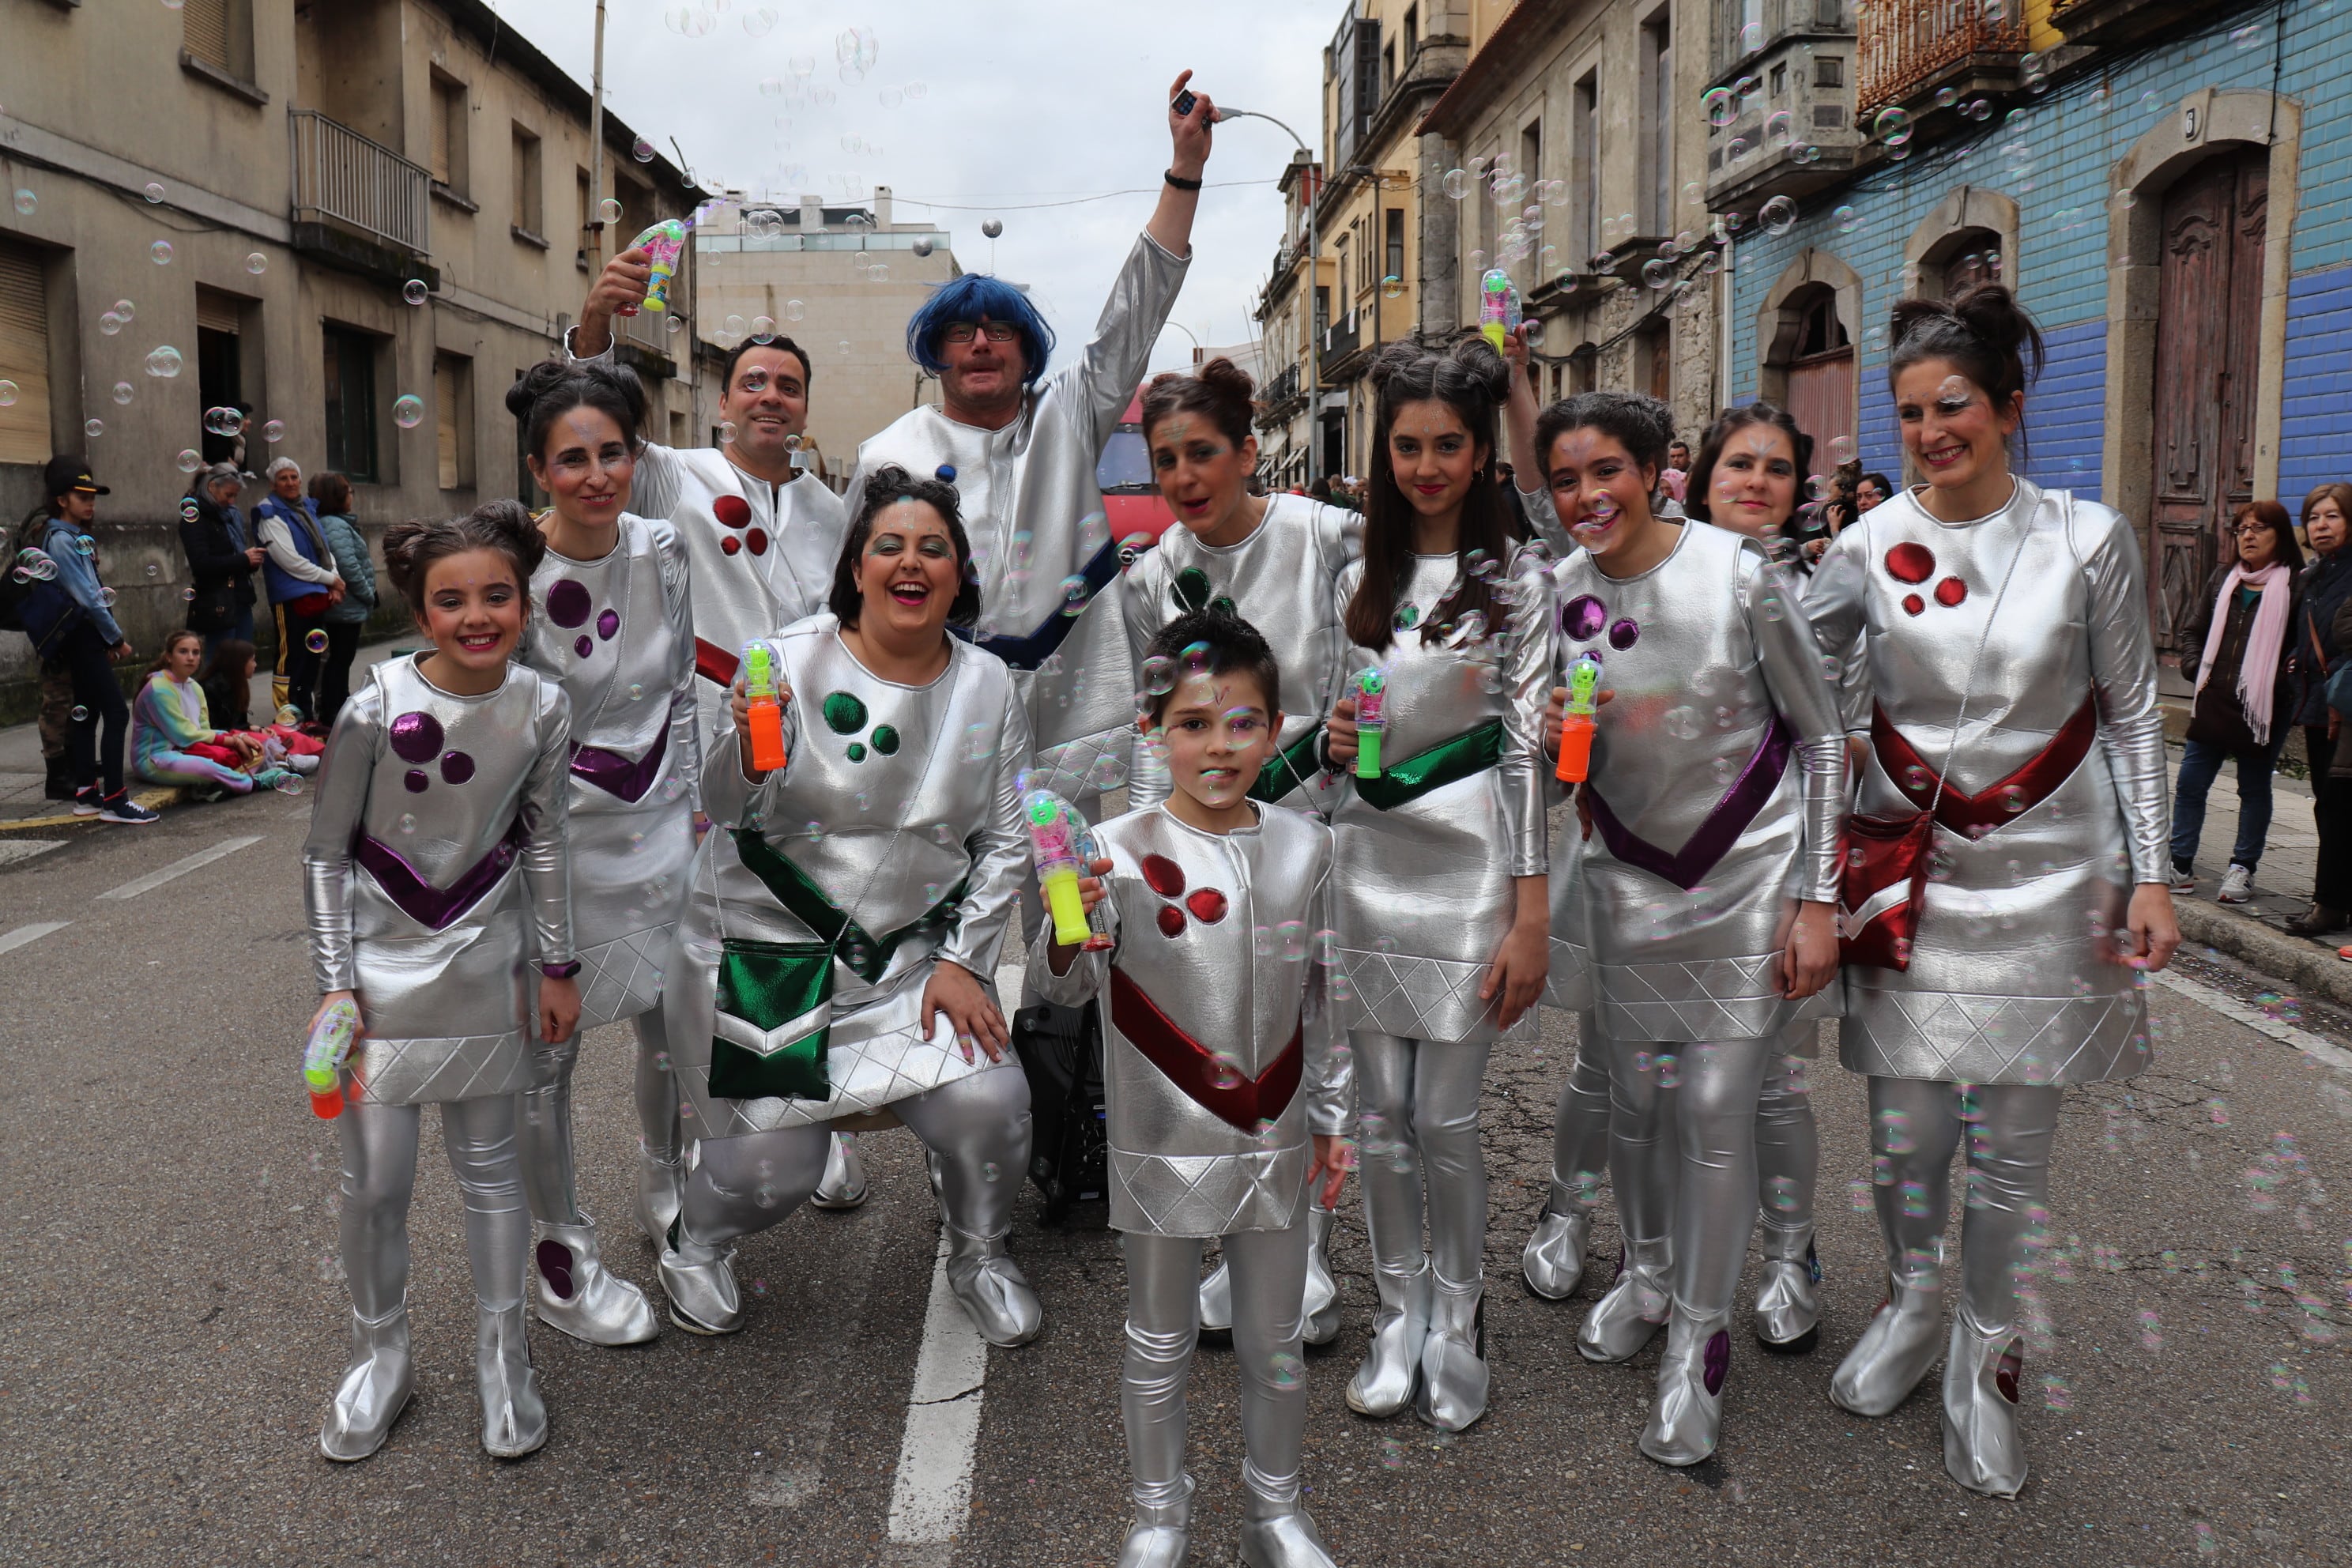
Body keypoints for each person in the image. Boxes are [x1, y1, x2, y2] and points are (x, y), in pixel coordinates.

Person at [1805, 285, 2177, 1497]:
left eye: (1952, 405)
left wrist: (2154, 875)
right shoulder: (1861, 548)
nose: (1928, 432)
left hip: (2058, 879)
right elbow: (1799, 705)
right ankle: (1915, 1302)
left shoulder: (2089, 538)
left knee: (2009, 1151)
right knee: (1906, 1137)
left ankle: (1984, 1347)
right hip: (1914, 875)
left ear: (2011, 409)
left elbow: (2130, 713)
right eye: (1910, 413)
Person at [657, 466, 1040, 1348]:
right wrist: (751, 754)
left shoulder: (989, 684)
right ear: (857, 566)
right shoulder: (782, 661)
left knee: (992, 1104)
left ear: (958, 573)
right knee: (769, 1173)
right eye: (890, 545)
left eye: (933, 548)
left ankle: (979, 1249)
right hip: (769, 962)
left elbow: (1008, 839)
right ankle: (696, 1239)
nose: (912, 563)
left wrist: (965, 959)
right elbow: (719, 802)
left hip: (910, 962)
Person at [1532, 391, 1845, 1466]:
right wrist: (1536, 745)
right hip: (1628, 877)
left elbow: (1824, 739)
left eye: (1606, 471)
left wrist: (1819, 894)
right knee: (1635, 1098)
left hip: (1748, 876)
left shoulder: (1741, 573)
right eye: (1566, 479)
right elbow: (1550, 769)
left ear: (1660, 467)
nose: (1587, 497)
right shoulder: (1558, 594)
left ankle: (1701, 1347)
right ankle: (1651, 1273)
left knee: (1716, 1102)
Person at [1032, 608, 1351, 1568]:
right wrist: (1070, 920)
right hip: (1158, 1131)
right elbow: (1060, 985)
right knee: (1160, 1338)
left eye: (1243, 722)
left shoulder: (1309, 846)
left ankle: (1275, 1514)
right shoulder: (1111, 848)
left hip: (1275, 1133)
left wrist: (1334, 1119)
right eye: (1194, 723)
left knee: (1276, 1339)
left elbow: (1324, 996)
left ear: (1278, 725)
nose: (1219, 745)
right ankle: (1158, 1515)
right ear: (1152, 728)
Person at [571, 257, 863, 1212]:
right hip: (689, 752)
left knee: (794, 939)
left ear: (805, 405)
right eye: (753, 382)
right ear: (723, 403)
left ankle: (798, 1115)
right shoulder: (669, 477)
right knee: (673, 984)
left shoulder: (831, 509)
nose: (770, 397)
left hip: (804, 758)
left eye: (788, 385)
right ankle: (669, 1179)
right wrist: (595, 327)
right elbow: (587, 416)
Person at [847, 74, 1216, 820]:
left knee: (1079, 905)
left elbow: (1135, 314)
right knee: (950, 898)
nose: (982, 344)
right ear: (936, 354)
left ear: (1029, 349)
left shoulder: (1071, 411)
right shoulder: (887, 453)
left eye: (1001, 329)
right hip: (939, 701)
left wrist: (1185, 172)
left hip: (1076, 706)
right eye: (961, 332)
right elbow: (849, 596)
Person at [301, 500, 580, 1462]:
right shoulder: (371, 708)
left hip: (487, 965)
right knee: (376, 1182)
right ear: (421, 614)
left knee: (493, 1175)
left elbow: (545, 841)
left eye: (497, 596)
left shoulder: (543, 705)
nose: (477, 616)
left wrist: (557, 962)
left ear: (525, 604)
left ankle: (506, 1354)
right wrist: (337, 983)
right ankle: (382, 1356)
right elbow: (325, 857)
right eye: (451, 600)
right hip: (380, 979)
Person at [1320, 337, 1550, 1434]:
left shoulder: (1524, 582)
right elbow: (1339, 726)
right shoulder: (1352, 575)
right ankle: (1395, 1312)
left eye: (1448, 444)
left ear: (1480, 450)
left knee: (1445, 1119)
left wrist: (1530, 910)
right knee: (1380, 1117)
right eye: (1406, 445)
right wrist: (1323, 735)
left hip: (1470, 876)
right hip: (1366, 869)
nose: (1426, 465)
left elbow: (1528, 757)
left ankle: (1458, 1315)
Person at [1121, 357, 1363, 1346]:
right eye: (1166, 458)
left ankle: (1304, 1267)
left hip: (1319, 828)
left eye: (1204, 452)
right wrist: (1142, 854)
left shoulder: (1325, 534)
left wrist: (1368, 720)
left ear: (1249, 450)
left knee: (1304, 1046)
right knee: (1220, 1046)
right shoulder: (1148, 576)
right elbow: (1148, 724)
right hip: (1204, 840)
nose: (1184, 475)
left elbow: (1406, 631)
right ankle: (1234, 1246)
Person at [501, 360, 696, 1348]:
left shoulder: (664, 547)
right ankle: (560, 1253)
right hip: (557, 849)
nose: (594, 474)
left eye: (611, 452)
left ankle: (669, 1188)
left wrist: (699, 810)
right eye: (570, 457)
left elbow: (688, 689)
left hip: (663, 830)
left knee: (673, 1028)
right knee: (550, 1055)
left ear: (635, 455)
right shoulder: (510, 569)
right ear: (538, 467)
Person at [2169, 500, 2303, 906]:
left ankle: (2243, 868)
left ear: (2279, 535)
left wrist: (2280, 681)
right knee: (2191, 784)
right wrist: (2196, 668)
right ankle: (2179, 863)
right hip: (2213, 698)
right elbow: (2194, 630)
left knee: (2254, 787)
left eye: (2259, 528)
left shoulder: (2297, 584)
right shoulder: (2222, 580)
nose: (2248, 535)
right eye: (2242, 528)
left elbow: (2303, 648)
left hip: (2263, 706)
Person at [19, 457, 156, 824]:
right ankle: (115, 799)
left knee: (88, 712)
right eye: (82, 495)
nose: (90, 501)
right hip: (82, 636)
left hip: (83, 635)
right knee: (115, 712)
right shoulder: (62, 539)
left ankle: (85, 793)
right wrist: (116, 638)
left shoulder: (71, 536)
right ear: (61, 500)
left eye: (93, 495)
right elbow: (88, 595)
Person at [2291, 483, 2352, 935]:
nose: (2321, 525)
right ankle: (2333, 898)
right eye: (2314, 517)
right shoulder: (2312, 576)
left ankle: (2329, 904)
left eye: (2332, 516)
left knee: (2340, 805)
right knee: (2327, 805)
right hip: (2318, 704)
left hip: (2346, 707)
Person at [131, 628, 278, 797]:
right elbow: (183, 735)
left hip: (187, 750)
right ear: (169, 657)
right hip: (155, 759)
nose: (191, 658)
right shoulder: (158, 689)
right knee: (207, 766)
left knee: (253, 751)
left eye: (196, 652)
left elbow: (204, 731)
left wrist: (240, 738)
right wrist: (232, 741)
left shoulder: (194, 686)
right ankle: (252, 783)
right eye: (183, 652)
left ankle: (212, 788)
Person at [254, 456, 344, 723]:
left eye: (294, 477)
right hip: (290, 598)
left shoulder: (305, 509)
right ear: (273, 483)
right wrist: (331, 580)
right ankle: (287, 713)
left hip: (315, 594)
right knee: (289, 657)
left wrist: (334, 579)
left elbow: (324, 551)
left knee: (311, 658)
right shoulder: (268, 512)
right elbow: (289, 560)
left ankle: (305, 712)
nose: (290, 482)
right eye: (283, 478)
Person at [311, 472, 377, 729]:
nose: (352, 496)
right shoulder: (335, 525)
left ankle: (338, 706)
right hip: (346, 606)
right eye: (349, 491)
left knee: (340, 659)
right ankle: (334, 711)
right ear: (337, 496)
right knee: (340, 659)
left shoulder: (336, 523)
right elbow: (348, 566)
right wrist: (367, 594)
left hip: (346, 606)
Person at [179, 462, 265, 656]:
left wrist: (251, 561)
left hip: (240, 599)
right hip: (216, 605)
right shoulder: (195, 518)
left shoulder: (228, 517)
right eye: (229, 495)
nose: (232, 502)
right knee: (221, 669)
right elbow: (201, 564)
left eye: (235, 496)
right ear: (212, 487)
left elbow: (234, 557)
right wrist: (243, 559)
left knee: (242, 664)